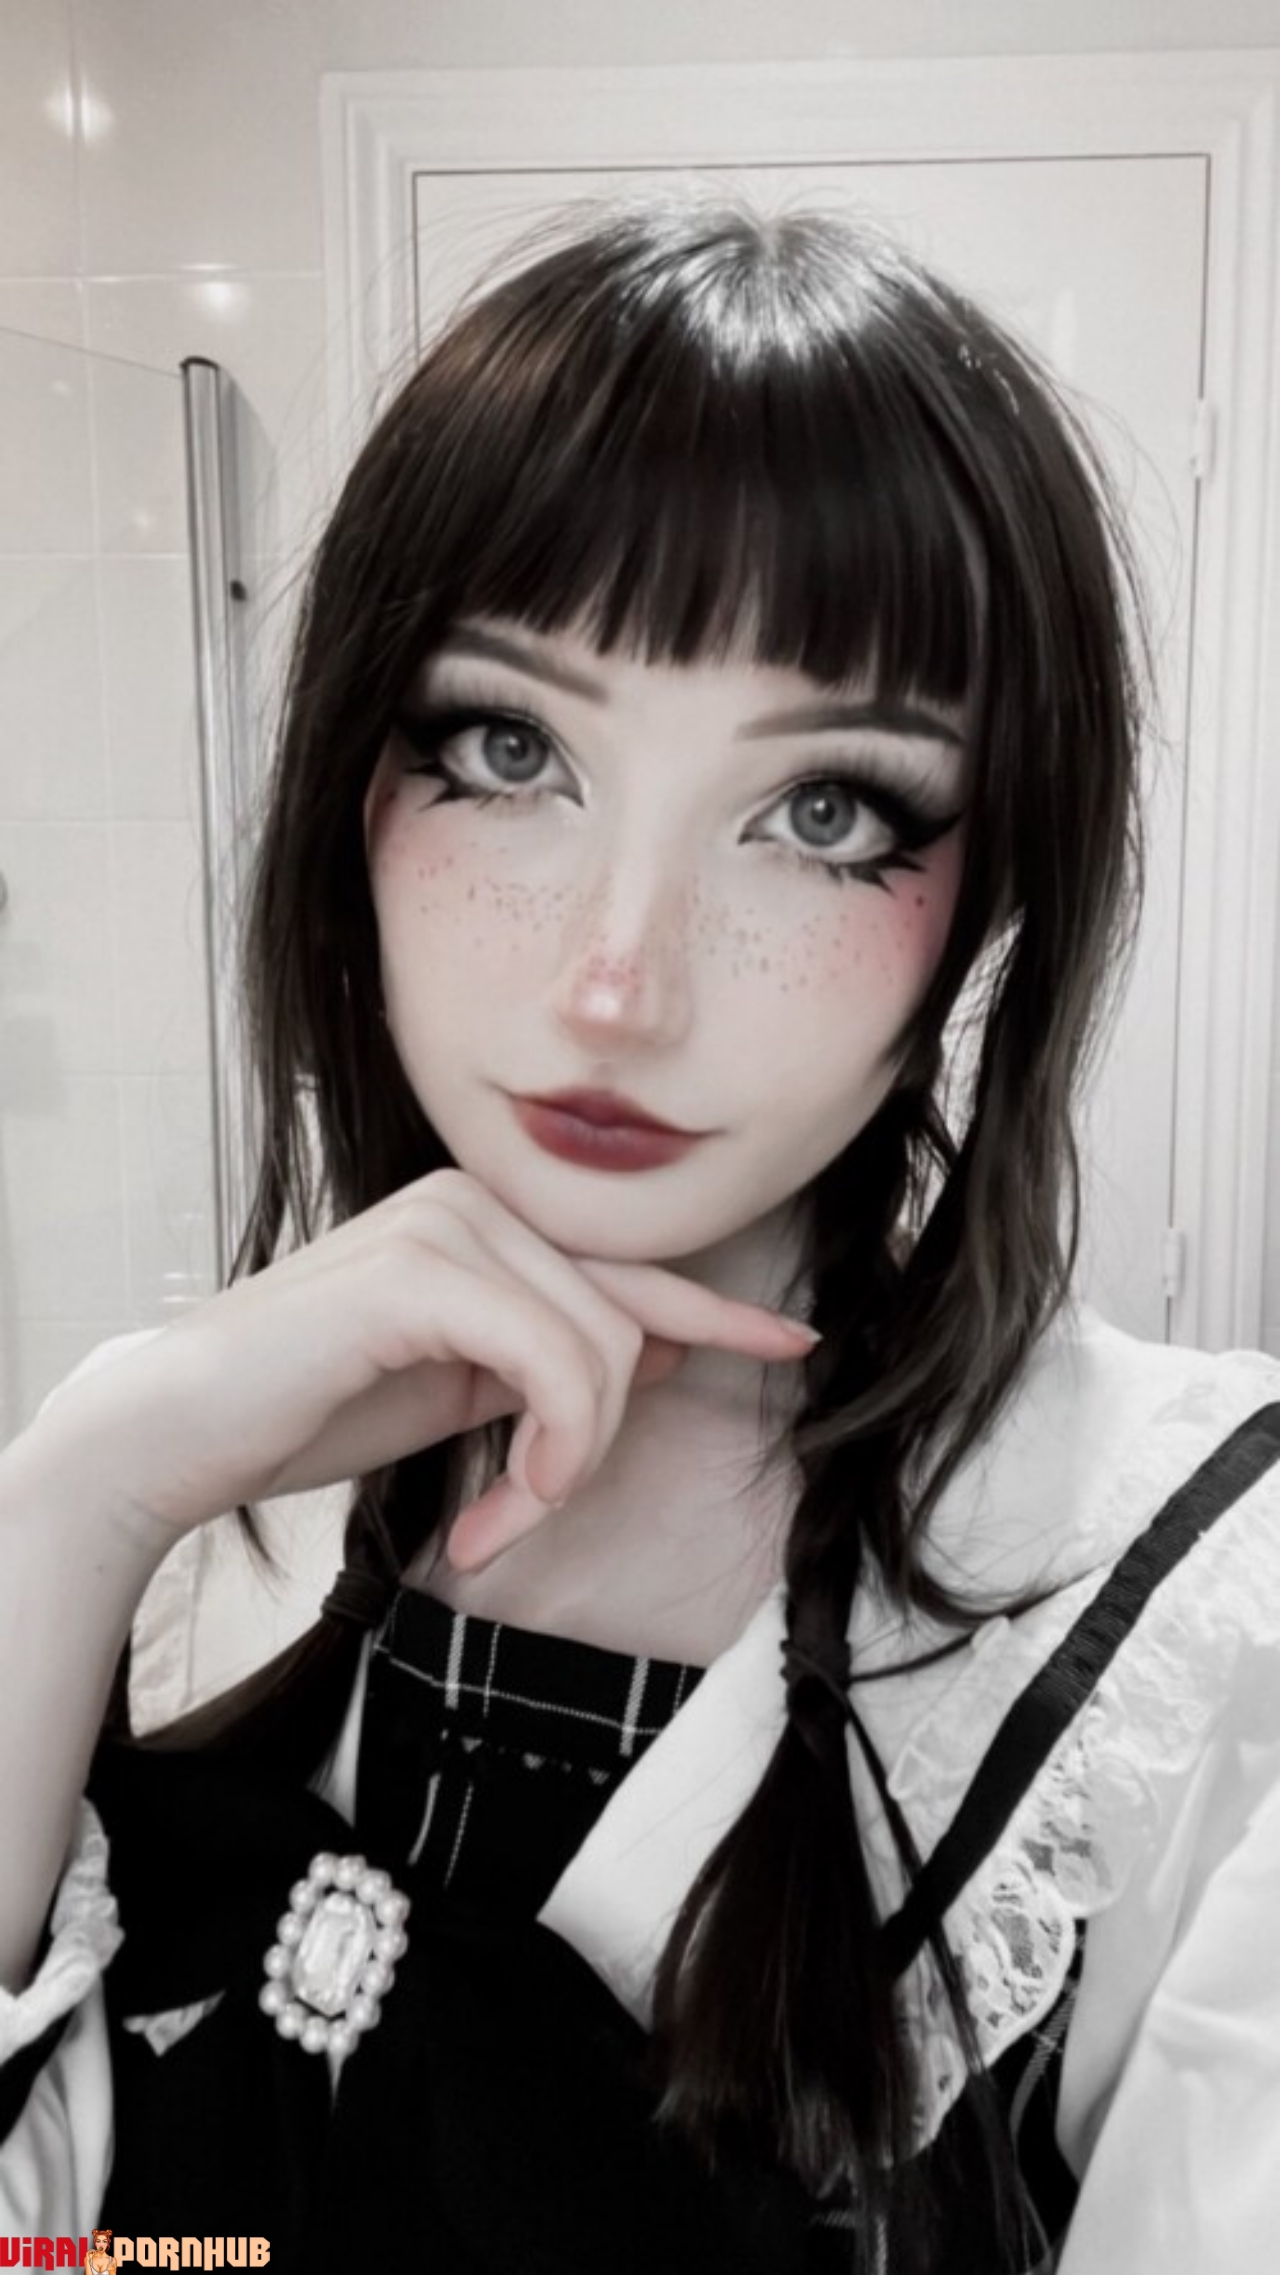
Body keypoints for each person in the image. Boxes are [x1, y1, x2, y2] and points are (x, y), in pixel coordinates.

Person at [1, 195, 1278, 2275]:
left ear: (993, 888)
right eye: (508, 750)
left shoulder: (1186, 1611)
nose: (616, 984)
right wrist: (82, 1491)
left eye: (825, 810)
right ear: (352, 788)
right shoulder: (210, 1473)